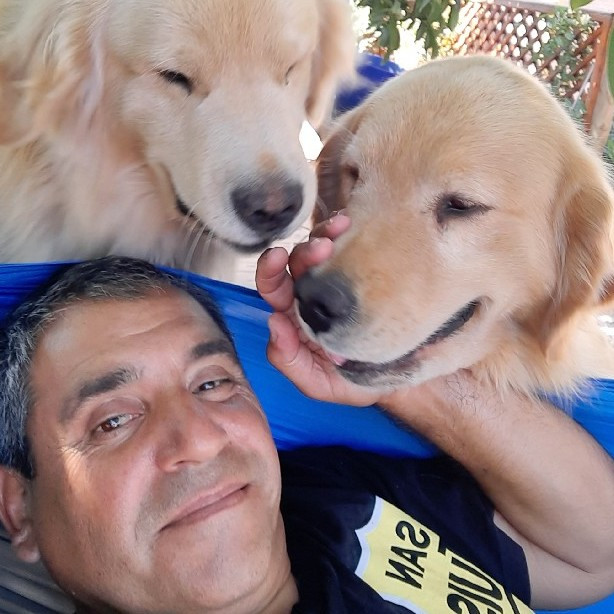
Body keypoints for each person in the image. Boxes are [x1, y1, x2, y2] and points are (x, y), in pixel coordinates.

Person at [0, 217, 612, 613]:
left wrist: (382, 367)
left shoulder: (344, 502)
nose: (201, 440)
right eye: (112, 421)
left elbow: (594, 555)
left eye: (212, 383)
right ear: (19, 507)